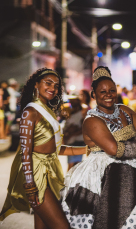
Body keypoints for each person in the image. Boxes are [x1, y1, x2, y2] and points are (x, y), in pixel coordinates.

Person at [60, 66, 136, 229]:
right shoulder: (92, 120)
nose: (108, 94)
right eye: (102, 92)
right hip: (107, 175)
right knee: (112, 220)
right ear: (94, 94)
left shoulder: (123, 110)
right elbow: (114, 150)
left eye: (111, 90)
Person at [0, 68, 88, 229]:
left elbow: (55, 149)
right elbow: (25, 151)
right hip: (35, 174)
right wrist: (30, 184)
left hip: (49, 171)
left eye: (56, 85)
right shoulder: (30, 112)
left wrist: (88, 149)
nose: (53, 88)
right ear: (36, 84)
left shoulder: (48, 111)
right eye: (48, 83)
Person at [63, 97, 84, 170]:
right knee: (71, 164)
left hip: (78, 141)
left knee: (77, 165)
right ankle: (70, 180)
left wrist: (71, 133)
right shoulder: (70, 113)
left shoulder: (82, 113)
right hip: (71, 141)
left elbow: (83, 128)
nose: (71, 103)